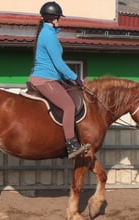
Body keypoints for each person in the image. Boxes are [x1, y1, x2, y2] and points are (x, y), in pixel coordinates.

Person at [29, 1, 90, 159]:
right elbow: (58, 63)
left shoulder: (47, 33)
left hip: (50, 77)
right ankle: (71, 145)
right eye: (59, 18)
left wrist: (66, 79)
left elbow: (54, 65)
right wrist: (75, 77)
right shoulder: (48, 35)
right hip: (44, 80)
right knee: (69, 106)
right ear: (53, 19)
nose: (60, 21)